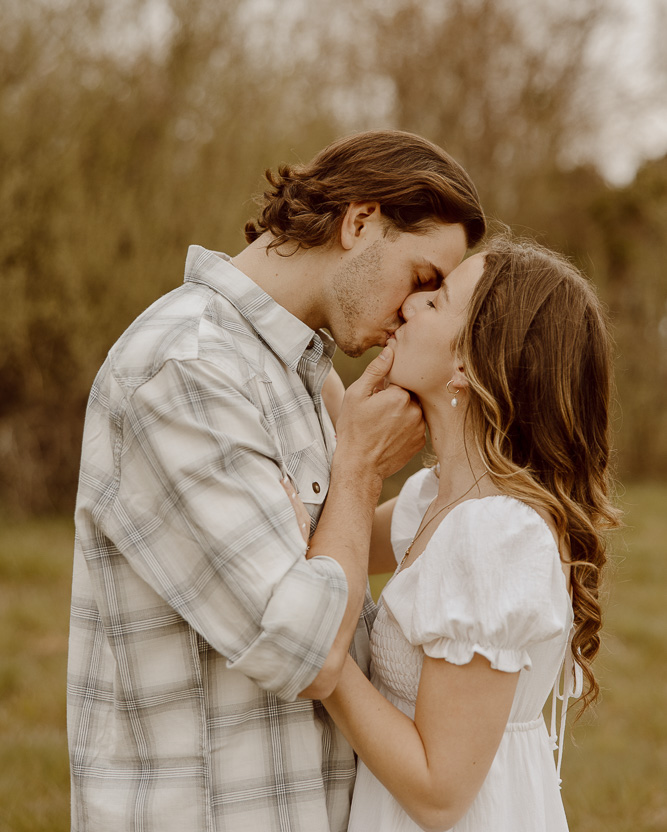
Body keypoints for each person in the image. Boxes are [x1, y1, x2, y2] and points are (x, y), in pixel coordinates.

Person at [67, 129, 485, 831]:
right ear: (359, 222)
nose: (416, 311)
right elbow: (305, 649)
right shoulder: (187, 368)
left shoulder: (301, 371)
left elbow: (329, 571)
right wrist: (356, 469)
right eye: (421, 279)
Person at [295, 236, 621, 832]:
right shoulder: (435, 500)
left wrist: (323, 654)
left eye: (439, 301)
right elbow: (328, 538)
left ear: (471, 363)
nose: (412, 305)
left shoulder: (493, 535)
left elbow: (439, 794)